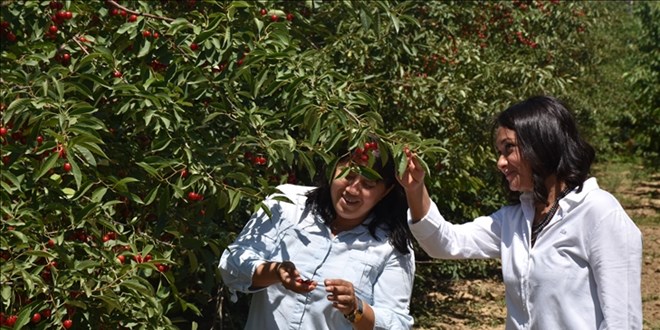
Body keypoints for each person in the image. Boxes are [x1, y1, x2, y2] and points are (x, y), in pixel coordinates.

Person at [398, 95, 643, 329]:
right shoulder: (515, 220)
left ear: (542, 144)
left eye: (509, 148)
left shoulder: (598, 213)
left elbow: (622, 321)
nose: (500, 163)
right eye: (499, 152)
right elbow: (445, 242)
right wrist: (415, 188)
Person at [218, 142, 415, 330]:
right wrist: (275, 272)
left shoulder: (392, 246)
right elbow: (232, 263)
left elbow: (397, 323)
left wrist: (356, 309)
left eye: (368, 184)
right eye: (347, 175)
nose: (352, 189)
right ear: (333, 169)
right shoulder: (286, 204)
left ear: (385, 191)